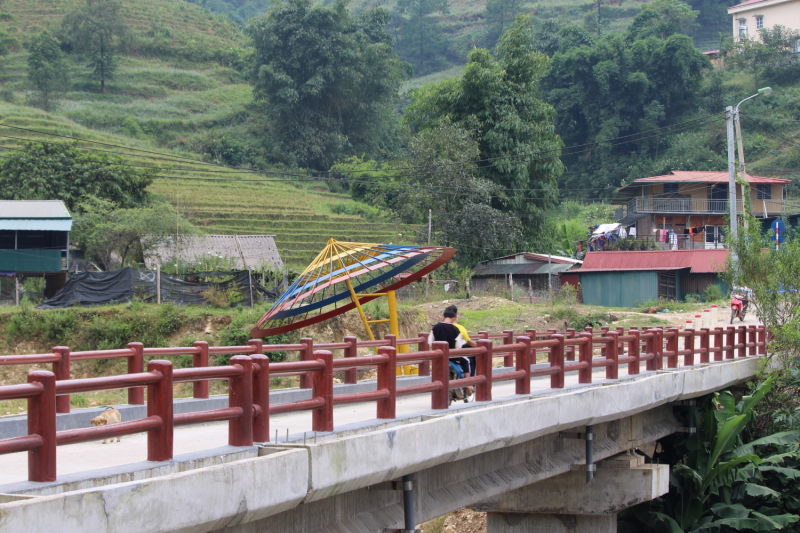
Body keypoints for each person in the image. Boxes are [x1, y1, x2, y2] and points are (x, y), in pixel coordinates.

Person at [428, 306, 474, 398]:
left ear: (443, 317)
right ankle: (469, 384)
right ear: (453, 318)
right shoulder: (455, 329)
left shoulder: (435, 327)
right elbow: (458, 346)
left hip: (438, 356)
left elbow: (429, 342)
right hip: (452, 356)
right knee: (467, 361)